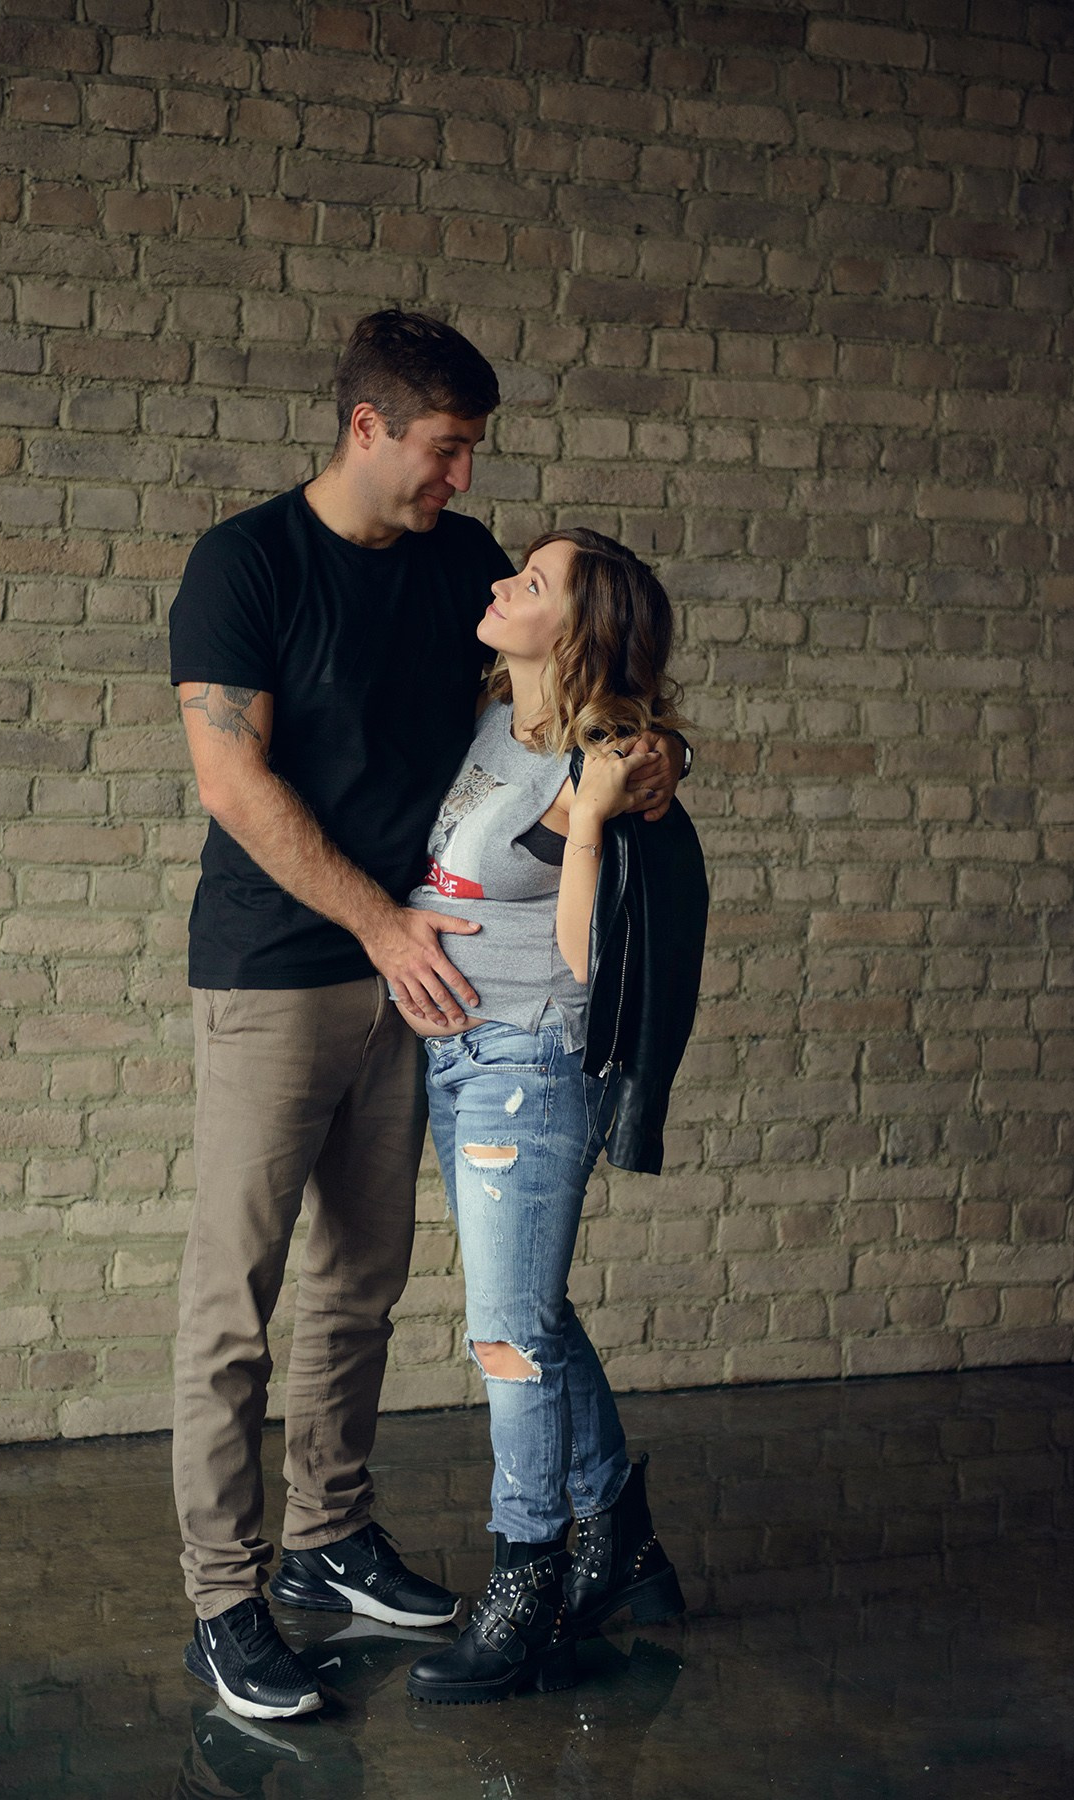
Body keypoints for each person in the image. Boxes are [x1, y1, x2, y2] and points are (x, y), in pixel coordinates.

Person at [167, 311, 685, 1723]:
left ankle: (329, 1538)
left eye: (472, 454)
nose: (464, 481)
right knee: (235, 1299)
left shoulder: (459, 563)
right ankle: (226, 1598)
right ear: (367, 428)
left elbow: (572, 690)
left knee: (361, 1285)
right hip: (281, 970)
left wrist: (652, 760)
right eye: (446, 450)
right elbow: (233, 784)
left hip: (426, 992)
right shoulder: (246, 565)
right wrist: (381, 925)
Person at [401, 529, 709, 1706]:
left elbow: (586, 956)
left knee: (506, 1338)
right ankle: (619, 1537)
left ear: (576, 630)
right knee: (533, 1313)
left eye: (530, 584)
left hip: (525, 1068)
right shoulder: (497, 716)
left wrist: (589, 815)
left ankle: (524, 1577)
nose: (500, 585)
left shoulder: (604, 760)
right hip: (459, 1058)